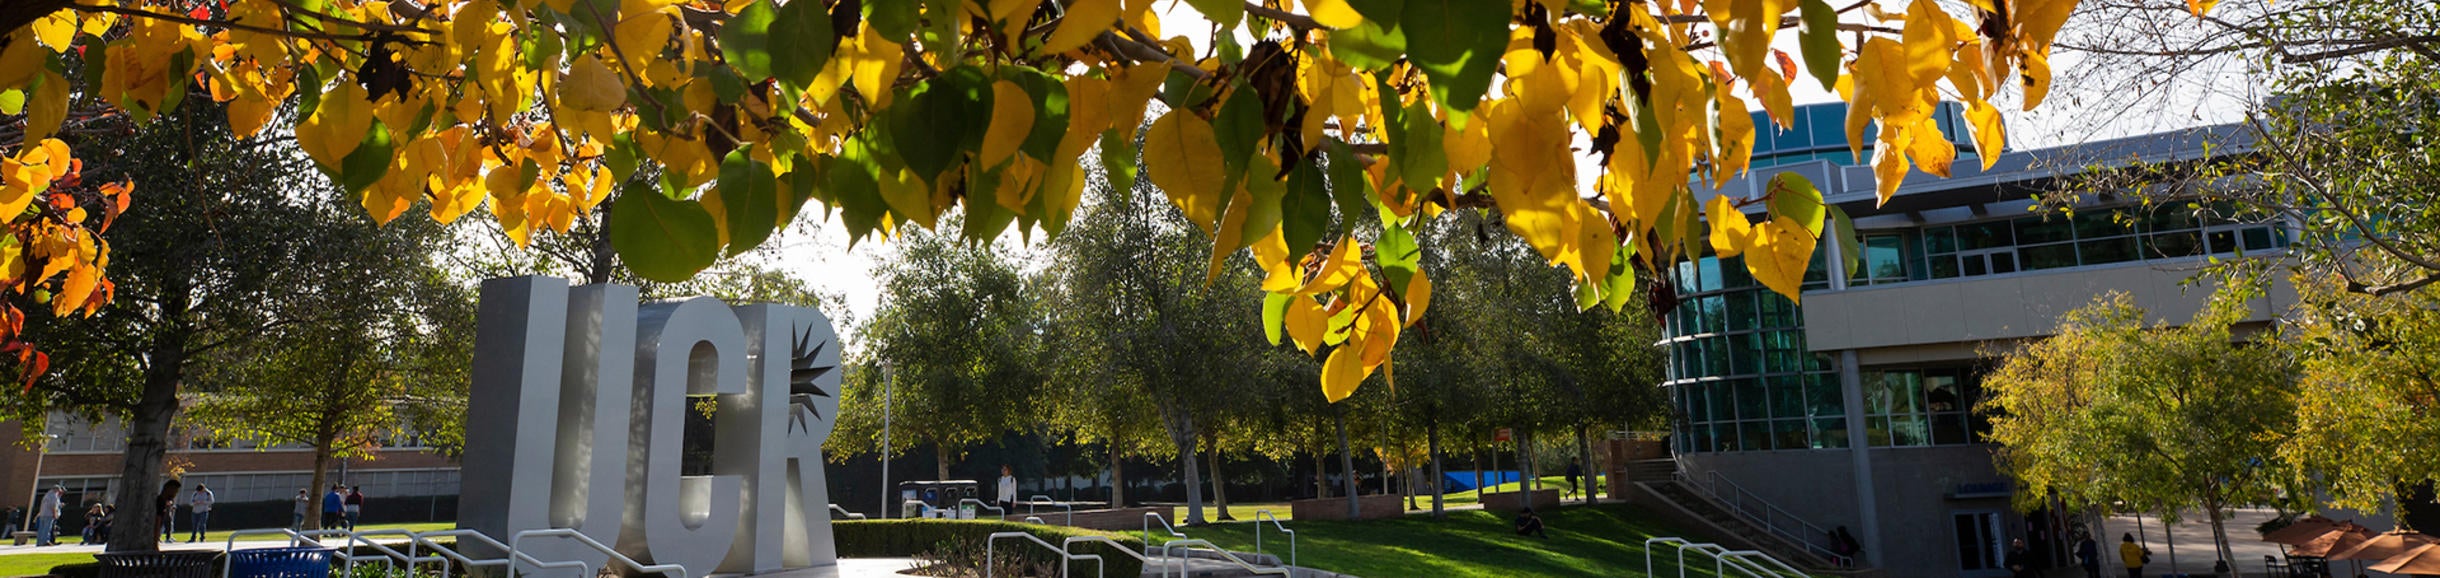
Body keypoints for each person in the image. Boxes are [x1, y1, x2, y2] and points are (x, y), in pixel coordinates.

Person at [154, 479, 181, 543]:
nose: (175, 495)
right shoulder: (160, 502)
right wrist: (155, 543)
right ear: (169, 489)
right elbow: (157, 522)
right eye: (175, 491)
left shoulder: (164, 502)